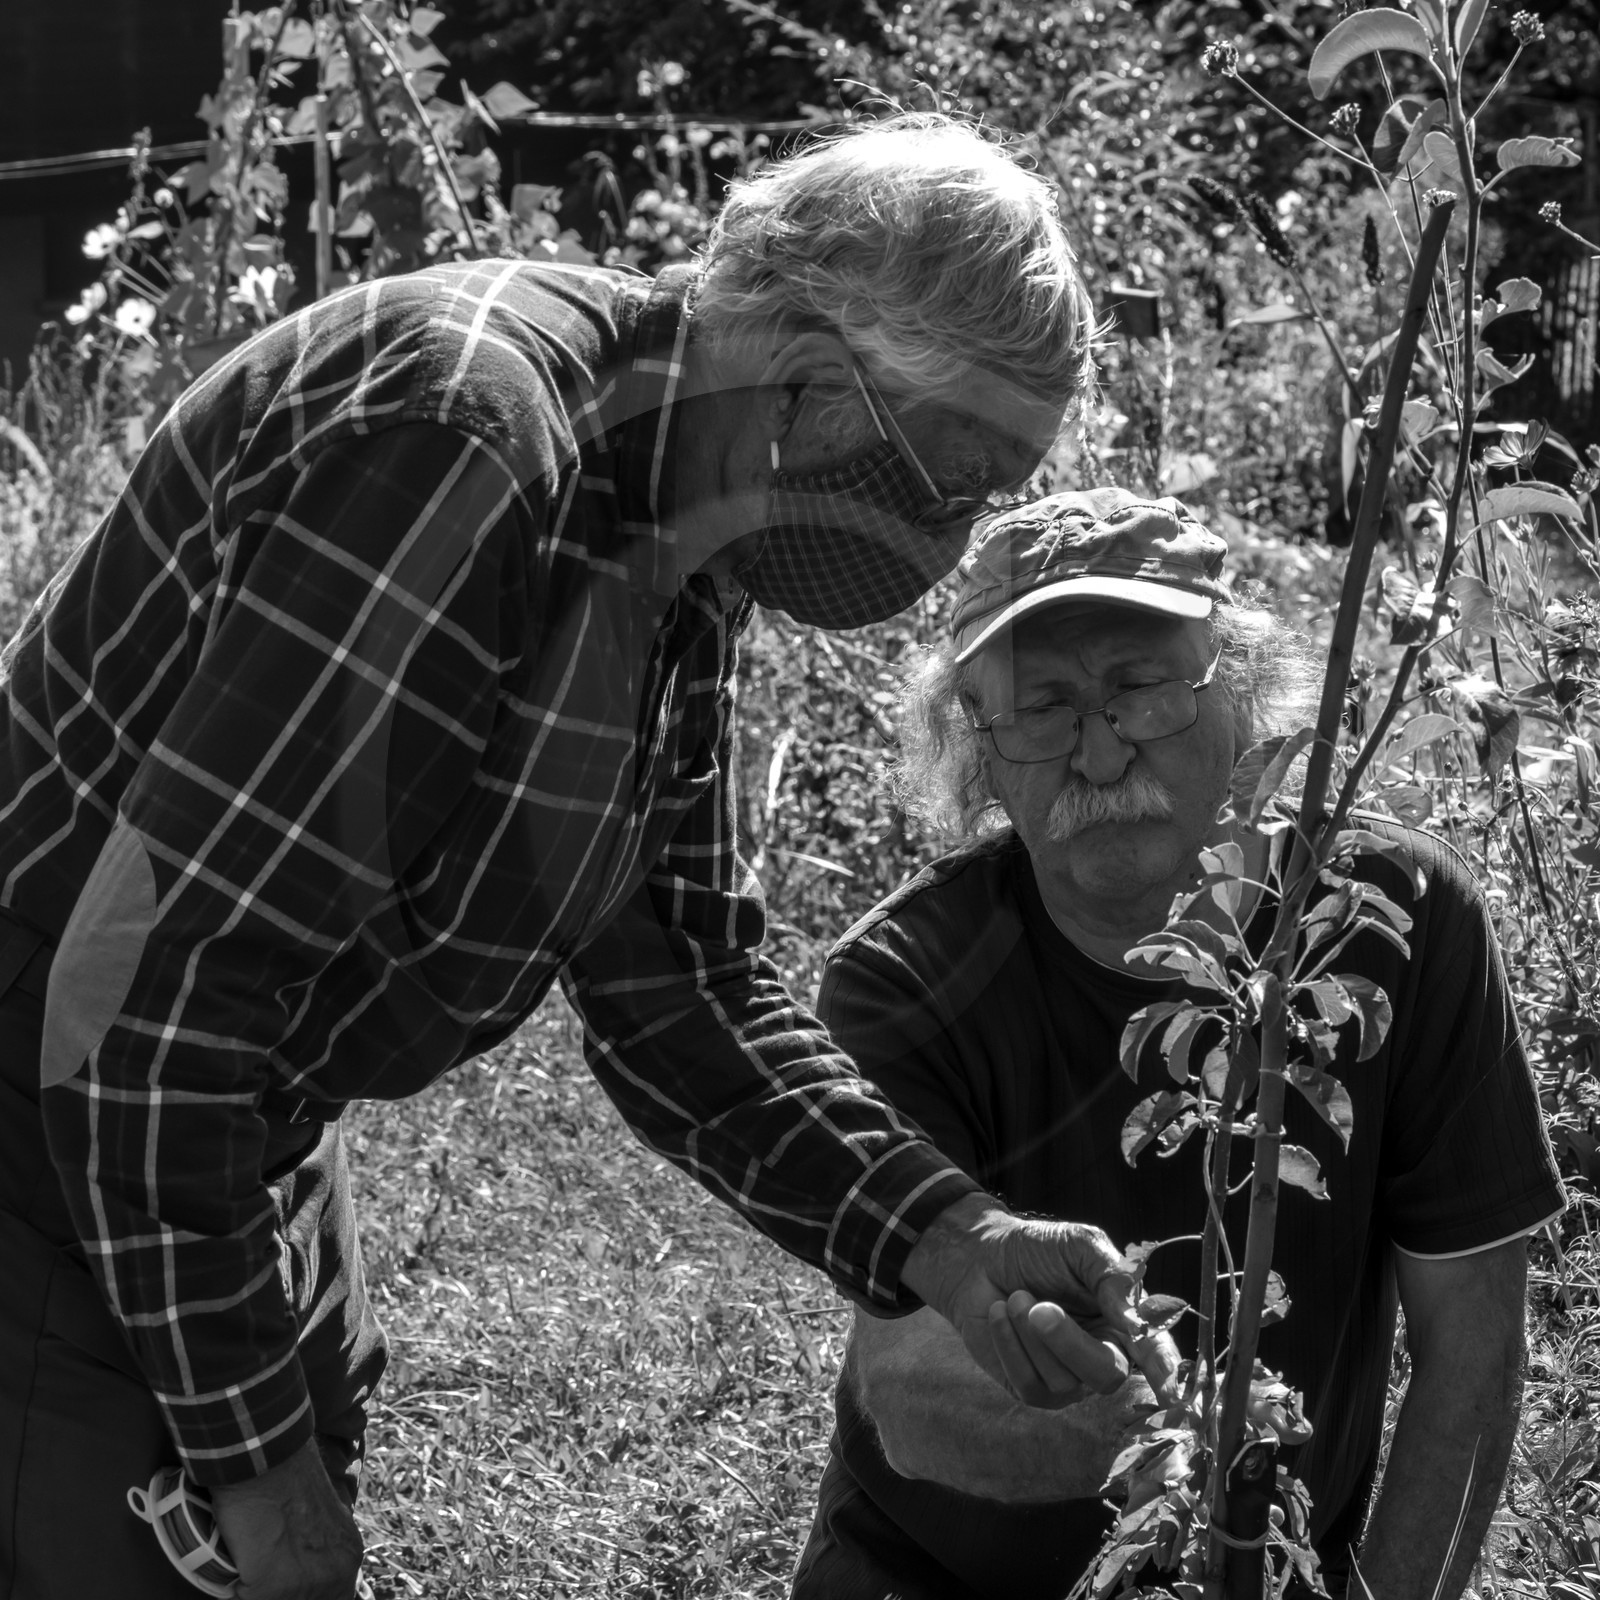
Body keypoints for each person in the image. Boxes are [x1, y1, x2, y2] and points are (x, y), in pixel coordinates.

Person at [0, 117, 1170, 1600]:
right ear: (808, 372)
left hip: (240, 1123)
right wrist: (262, 1475)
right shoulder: (462, 451)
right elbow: (154, 1010)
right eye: (949, 488)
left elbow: (675, 979)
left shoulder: (681, 510)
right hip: (58, 1117)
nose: (948, 548)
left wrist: (949, 1238)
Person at [790, 487, 1566, 1600]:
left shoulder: (1394, 921)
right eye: (1040, 708)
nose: (1098, 755)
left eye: (1139, 688)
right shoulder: (903, 980)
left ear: (1239, 690)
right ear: (980, 748)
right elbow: (911, 1393)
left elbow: (1473, 1349)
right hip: (935, 1572)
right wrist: (1185, 1427)